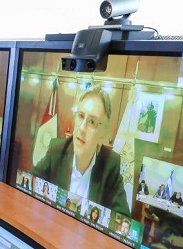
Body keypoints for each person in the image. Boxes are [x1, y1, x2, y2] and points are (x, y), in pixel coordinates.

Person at [33, 86, 130, 215]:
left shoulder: (110, 165)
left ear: (102, 133)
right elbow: (29, 183)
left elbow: (122, 219)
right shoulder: (57, 150)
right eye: (80, 116)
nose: (82, 128)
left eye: (92, 122)